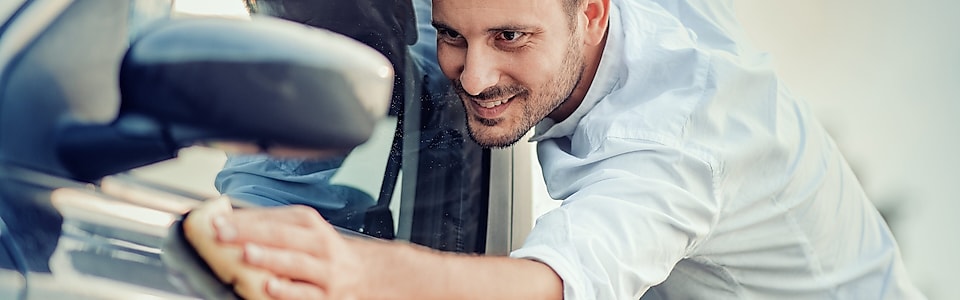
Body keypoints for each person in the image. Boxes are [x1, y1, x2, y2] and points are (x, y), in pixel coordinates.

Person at [198, 0, 926, 298]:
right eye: (452, 33)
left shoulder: (674, 142)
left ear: (593, 11)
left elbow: (543, 285)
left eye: (510, 37)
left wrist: (346, 264)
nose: (474, 77)